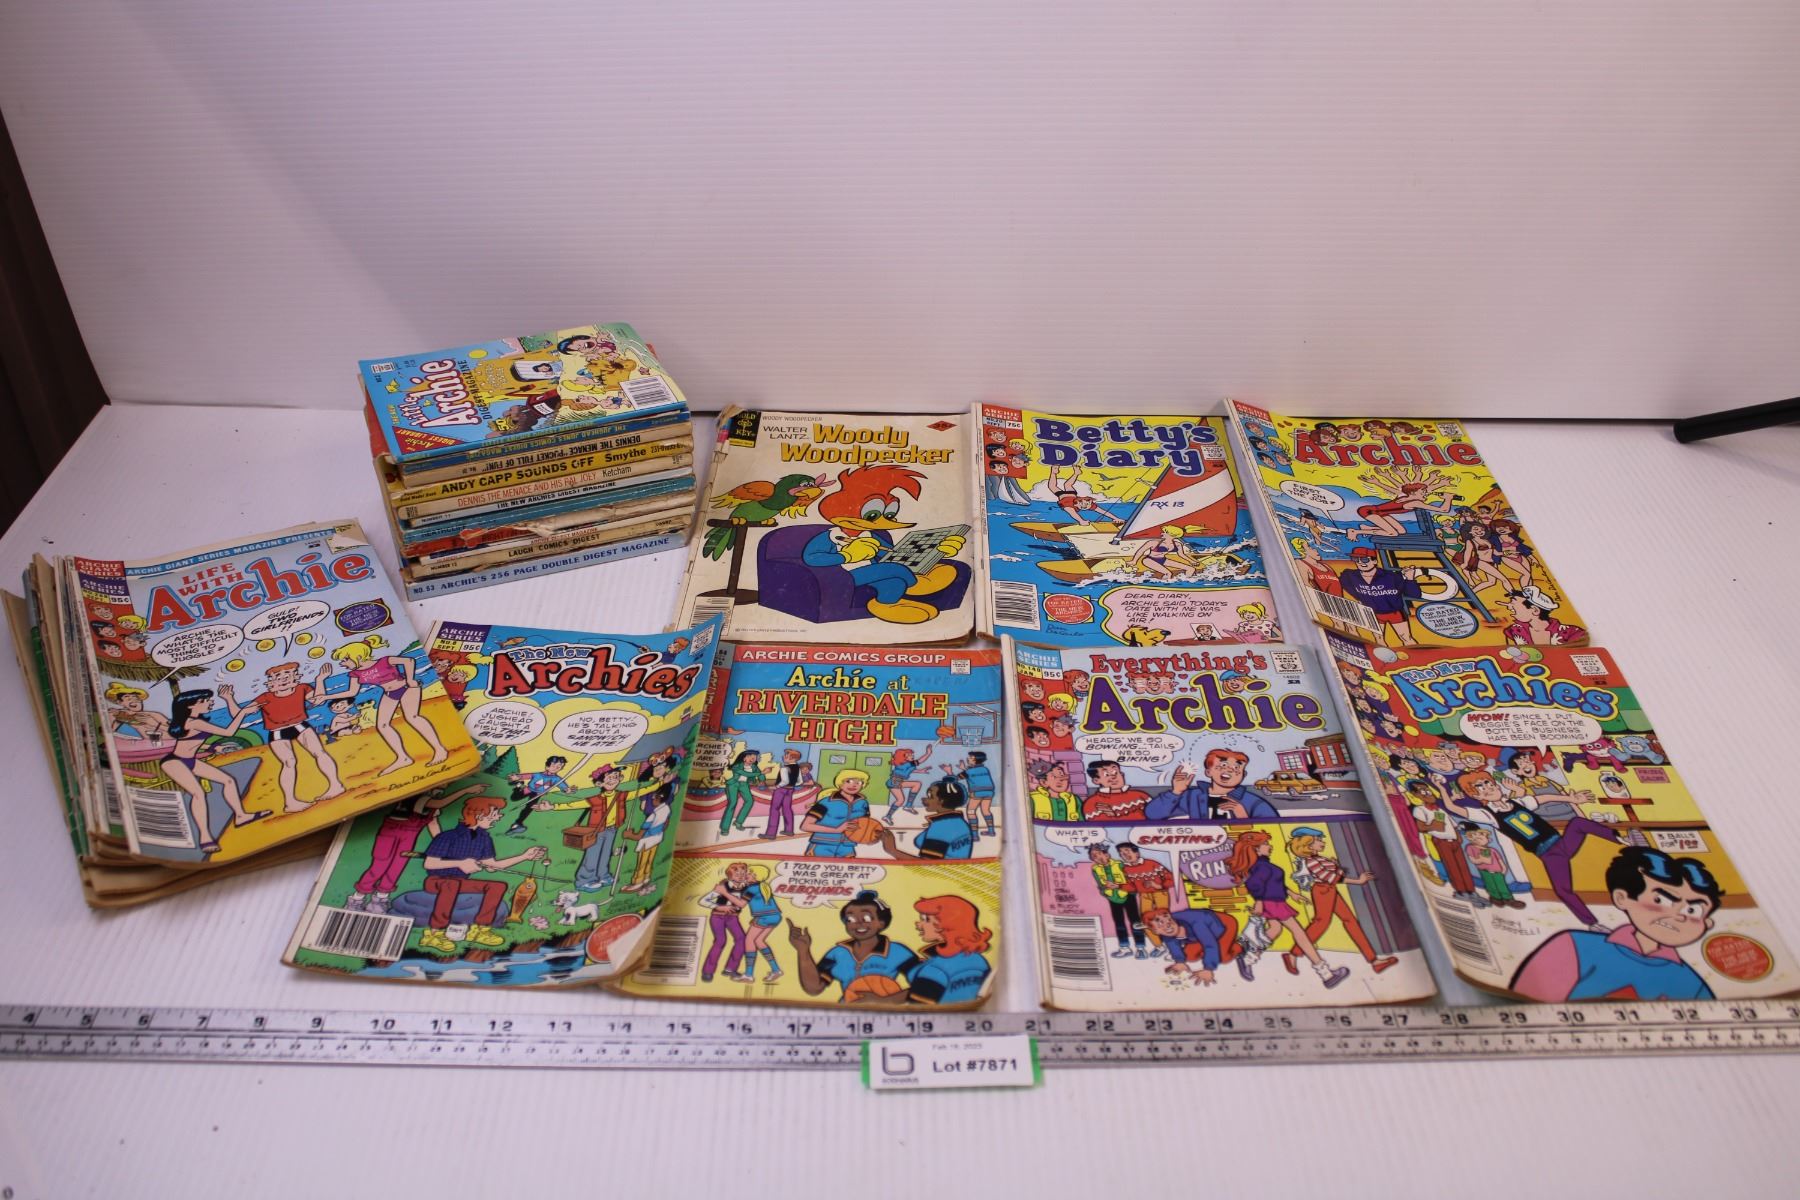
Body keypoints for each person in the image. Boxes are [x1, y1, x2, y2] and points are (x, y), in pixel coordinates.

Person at [1510, 847, 1722, 1001]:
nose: (1678, 916)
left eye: (1693, 910)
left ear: (1707, 922)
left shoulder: (1692, 982)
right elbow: (1527, 1001)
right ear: (1622, 898)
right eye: (1661, 900)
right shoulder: (1573, 946)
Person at [1466, 772, 1629, 930]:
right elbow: (1463, 812)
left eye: (1489, 784)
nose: (1488, 788)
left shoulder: (1518, 802)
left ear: (1496, 785)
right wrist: (1449, 797)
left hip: (1562, 843)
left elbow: (1544, 798)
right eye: (1482, 789)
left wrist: (1571, 799)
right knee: (1562, 890)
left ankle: (1620, 839)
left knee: (1578, 823)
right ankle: (1592, 924)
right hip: (1549, 855)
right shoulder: (1489, 815)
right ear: (1478, 797)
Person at [416, 796, 546, 955]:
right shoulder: (448, 836)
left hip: (460, 882)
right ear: (478, 815)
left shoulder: (483, 839)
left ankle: (480, 930)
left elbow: (492, 866)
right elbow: (429, 864)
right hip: (436, 881)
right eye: (494, 814)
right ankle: (434, 934)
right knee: (452, 885)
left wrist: (524, 856)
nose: (498, 817)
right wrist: (460, 863)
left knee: (497, 886)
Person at [1229, 830, 1351, 989]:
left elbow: (1274, 883)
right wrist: (1259, 902)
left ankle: (1247, 960)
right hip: (1272, 903)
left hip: (1275, 901)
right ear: (1256, 849)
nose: (1269, 846)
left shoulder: (1265, 865)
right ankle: (1326, 973)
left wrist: (1292, 894)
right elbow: (1255, 885)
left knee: (1275, 930)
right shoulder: (1260, 867)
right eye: (1265, 844)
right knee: (1299, 933)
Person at [219, 661, 345, 813]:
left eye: (288, 674)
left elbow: (318, 699)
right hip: (278, 731)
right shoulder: (265, 697)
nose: (284, 679)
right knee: (289, 762)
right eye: (278, 676)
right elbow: (239, 714)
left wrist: (320, 679)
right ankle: (290, 802)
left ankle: (335, 785)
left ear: (295, 676)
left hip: (300, 726)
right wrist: (229, 699)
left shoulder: (302, 688)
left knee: (319, 752)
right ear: (271, 682)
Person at [317, 635, 451, 774]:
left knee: (412, 717)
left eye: (345, 659)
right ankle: (403, 758)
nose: (342, 663)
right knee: (382, 725)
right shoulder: (355, 674)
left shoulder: (384, 661)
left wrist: (410, 679)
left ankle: (440, 750)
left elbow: (409, 661)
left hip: (406, 687)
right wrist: (326, 696)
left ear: (356, 656)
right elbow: (352, 692)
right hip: (389, 693)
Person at [344, 783, 483, 914]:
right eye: (442, 785)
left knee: (397, 868)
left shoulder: (433, 801)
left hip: (409, 837)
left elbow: (433, 823)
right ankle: (357, 899)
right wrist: (465, 791)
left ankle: (380, 899)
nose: (443, 788)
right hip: (391, 834)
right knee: (378, 867)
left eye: (445, 786)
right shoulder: (419, 797)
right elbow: (439, 803)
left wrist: (443, 846)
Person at [160, 688, 266, 854]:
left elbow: (190, 742)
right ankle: (205, 837)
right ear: (190, 706)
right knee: (198, 793)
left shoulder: (195, 721)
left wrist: (212, 748)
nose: (210, 702)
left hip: (190, 760)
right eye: (204, 701)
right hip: (174, 761)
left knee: (228, 780)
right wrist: (243, 713)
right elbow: (229, 732)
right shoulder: (195, 722)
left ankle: (241, 816)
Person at [1284, 828, 1399, 974]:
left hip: (1330, 890)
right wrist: (1358, 881)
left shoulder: (1319, 858)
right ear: (1308, 845)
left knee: (1350, 921)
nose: (1322, 842)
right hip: (1323, 891)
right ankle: (1293, 954)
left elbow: (1335, 874)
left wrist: (1336, 867)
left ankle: (1374, 961)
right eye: (1318, 840)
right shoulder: (1311, 861)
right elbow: (1331, 877)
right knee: (1321, 923)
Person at [538, 761, 666, 892]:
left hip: (612, 829)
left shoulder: (621, 795)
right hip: (596, 831)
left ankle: (603, 876)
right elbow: (574, 804)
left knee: (606, 854)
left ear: (620, 779)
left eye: (616, 777)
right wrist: (553, 806)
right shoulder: (595, 799)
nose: (613, 780)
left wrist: (661, 782)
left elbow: (641, 791)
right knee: (592, 855)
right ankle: (584, 881)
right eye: (609, 778)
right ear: (600, 783)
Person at [788, 890, 921, 1002]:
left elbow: (925, 986)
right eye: (850, 919)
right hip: (846, 1011)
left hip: (883, 1013)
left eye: (866, 918)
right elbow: (814, 989)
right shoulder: (837, 953)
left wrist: (884, 1001)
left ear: (881, 923)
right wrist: (803, 950)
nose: (858, 923)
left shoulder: (898, 952)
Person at [898, 896, 993, 1004]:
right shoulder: (979, 960)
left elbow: (917, 1008)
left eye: (926, 920)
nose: (919, 925)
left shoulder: (935, 969)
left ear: (946, 925)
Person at [1143, 749, 1279, 820]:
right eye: (1223, 765)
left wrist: (1243, 817)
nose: (1230, 770)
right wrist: (1176, 792)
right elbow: (1153, 814)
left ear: (1243, 775)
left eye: (1237, 768)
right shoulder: (1192, 797)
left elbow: (1274, 827)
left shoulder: (1252, 801)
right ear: (1208, 772)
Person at [1336, 548, 1424, 647]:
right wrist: (1361, 599)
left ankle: (1418, 654)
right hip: (1373, 614)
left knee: (1406, 638)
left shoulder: (1391, 577)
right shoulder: (1350, 576)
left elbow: (1414, 595)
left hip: (1394, 613)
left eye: (1365, 559)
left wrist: (1410, 578)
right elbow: (1342, 584)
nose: (1360, 562)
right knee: (1378, 639)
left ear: (1374, 561)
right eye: (1356, 559)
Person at [1146, 906, 1253, 983]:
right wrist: (1179, 961)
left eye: (1169, 921)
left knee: (1222, 957)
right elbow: (1172, 944)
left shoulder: (1197, 924)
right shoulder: (1166, 933)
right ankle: (1212, 955)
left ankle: (1241, 945)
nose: (1167, 925)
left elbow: (1210, 945)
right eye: (1161, 926)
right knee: (1190, 956)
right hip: (1199, 935)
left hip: (1223, 925)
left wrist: (1208, 968)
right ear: (1156, 931)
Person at [879, 778, 975, 860]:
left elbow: (927, 864)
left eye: (930, 796)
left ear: (941, 801)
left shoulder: (941, 826)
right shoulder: (959, 822)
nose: (923, 799)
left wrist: (892, 850)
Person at [1090, 843, 1149, 959]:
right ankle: (1124, 947)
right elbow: (1099, 885)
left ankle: (1141, 948)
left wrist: (1122, 887)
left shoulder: (1120, 864)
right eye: (1094, 856)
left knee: (1136, 923)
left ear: (1107, 854)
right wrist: (1105, 889)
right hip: (1113, 898)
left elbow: (1132, 880)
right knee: (1119, 923)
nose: (1097, 858)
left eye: (1099, 854)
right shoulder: (1095, 869)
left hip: (1128, 895)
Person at [800, 769, 872, 858]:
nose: (853, 785)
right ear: (840, 783)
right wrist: (837, 829)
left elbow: (866, 824)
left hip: (848, 846)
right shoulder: (825, 802)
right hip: (822, 844)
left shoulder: (862, 803)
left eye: (859, 782)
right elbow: (805, 826)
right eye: (848, 781)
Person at [701, 862, 755, 982]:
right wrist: (719, 907)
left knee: (742, 940)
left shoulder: (748, 889)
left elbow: (742, 904)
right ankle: (708, 971)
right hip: (718, 917)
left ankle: (730, 969)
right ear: (730, 875)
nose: (740, 876)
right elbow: (703, 901)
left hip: (733, 917)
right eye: (737, 874)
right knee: (720, 941)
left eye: (743, 873)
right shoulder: (723, 885)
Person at [1117, 843, 1175, 952]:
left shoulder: (1152, 863)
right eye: (1121, 853)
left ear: (1136, 853)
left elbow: (1171, 879)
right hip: (1144, 895)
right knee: (1146, 922)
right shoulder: (1126, 869)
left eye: (1127, 851)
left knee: (1165, 920)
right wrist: (1118, 886)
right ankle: (1159, 946)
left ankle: (1172, 947)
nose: (1124, 854)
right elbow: (1132, 888)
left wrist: (1157, 885)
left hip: (1160, 893)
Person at [503, 754, 576, 836]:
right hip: (528, 790)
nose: (555, 768)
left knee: (529, 808)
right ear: (547, 766)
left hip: (537, 794)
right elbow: (526, 776)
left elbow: (563, 787)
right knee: (514, 798)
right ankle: (518, 786)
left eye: (559, 767)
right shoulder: (537, 775)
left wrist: (568, 790)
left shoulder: (557, 779)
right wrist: (517, 777)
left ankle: (518, 823)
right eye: (553, 766)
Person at [1460, 822, 1524, 909]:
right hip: (1485, 872)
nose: (1477, 840)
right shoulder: (1470, 848)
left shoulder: (1492, 850)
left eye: (1480, 838)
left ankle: (1508, 899)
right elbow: (1472, 860)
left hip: (1497, 872)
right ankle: (1496, 898)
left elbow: (1500, 860)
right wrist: (1480, 860)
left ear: (1488, 840)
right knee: (1490, 885)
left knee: (1502, 885)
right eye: (1474, 838)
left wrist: (1504, 868)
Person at [1502, 585, 1587, 646]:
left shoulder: (1571, 632)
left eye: (1513, 602)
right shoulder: (1514, 631)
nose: (1509, 606)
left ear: (1535, 610)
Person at [948, 750, 997, 839]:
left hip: (977, 792)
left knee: (971, 811)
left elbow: (956, 778)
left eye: (971, 757)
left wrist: (949, 771)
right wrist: (964, 768)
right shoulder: (985, 769)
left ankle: (974, 835)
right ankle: (991, 831)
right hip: (989, 792)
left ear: (976, 760)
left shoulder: (968, 772)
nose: (968, 758)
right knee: (986, 811)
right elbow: (974, 773)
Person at [1083, 759, 1152, 822]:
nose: (1113, 777)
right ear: (1096, 780)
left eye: (1115, 773)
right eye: (1106, 774)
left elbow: (1155, 817)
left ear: (1122, 775)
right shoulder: (1093, 802)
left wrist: (1114, 815)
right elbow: (1100, 825)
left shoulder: (1141, 796)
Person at [763, 748, 808, 839]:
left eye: (786, 756)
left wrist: (776, 787)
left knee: (775, 810)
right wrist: (792, 785)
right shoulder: (797, 768)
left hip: (780, 790)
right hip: (790, 790)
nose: (783, 757)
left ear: (792, 758)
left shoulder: (784, 768)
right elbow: (800, 781)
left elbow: (784, 781)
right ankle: (789, 830)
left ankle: (771, 833)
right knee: (787, 809)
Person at [719, 749, 762, 835]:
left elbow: (761, 775)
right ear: (744, 758)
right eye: (749, 757)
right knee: (732, 803)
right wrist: (759, 773)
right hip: (733, 784)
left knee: (749, 801)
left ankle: (738, 822)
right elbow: (745, 773)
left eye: (754, 757)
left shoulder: (754, 767)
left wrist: (762, 777)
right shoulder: (737, 766)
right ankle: (724, 828)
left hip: (744, 785)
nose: (752, 759)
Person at [103, 683, 168, 740]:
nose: (134, 700)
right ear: (120, 702)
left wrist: (154, 724)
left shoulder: (153, 715)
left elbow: (173, 733)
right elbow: (107, 734)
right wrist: (111, 716)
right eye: (128, 698)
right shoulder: (119, 715)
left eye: (136, 698)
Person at [883, 745, 932, 820]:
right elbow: (920, 761)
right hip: (894, 782)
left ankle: (908, 806)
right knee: (900, 800)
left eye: (912, 754)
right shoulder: (905, 764)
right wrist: (928, 753)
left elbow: (908, 771)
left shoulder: (905, 764)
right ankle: (888, 816)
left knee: (917, 784)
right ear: (903, 757)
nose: (912, 756)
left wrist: (920, 771)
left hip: (898, 781)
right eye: (909, 755)